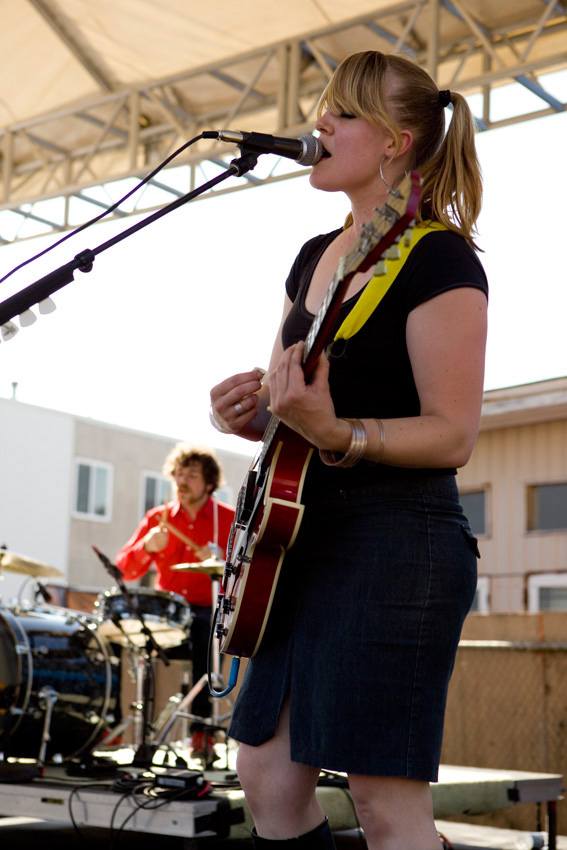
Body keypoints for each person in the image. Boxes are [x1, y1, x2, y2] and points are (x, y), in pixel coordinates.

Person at [209, 50, 488, 849]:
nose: (318, 125)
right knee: (265, 779)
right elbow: (287, 403)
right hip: (294, 538)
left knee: (381, 799)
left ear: (397, 141)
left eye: (343, 113)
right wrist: (251, 416)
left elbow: (452, 432)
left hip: (397, 539)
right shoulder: (311, 256)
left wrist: (336, 433)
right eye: (321, 109)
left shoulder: (440, 258)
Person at [115, 443, 235, 757]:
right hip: (164, 611)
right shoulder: (159, 517)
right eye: (178, 475)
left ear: (209, 483)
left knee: (204, 630)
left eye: (191, 475)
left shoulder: (229, 520)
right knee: (113, 632)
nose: (181, 482)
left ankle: (201, 733)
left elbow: (248, 572)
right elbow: (123, 570)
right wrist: (146, 546)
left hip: (208, 610)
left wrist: (223, 560)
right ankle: (115, 724)